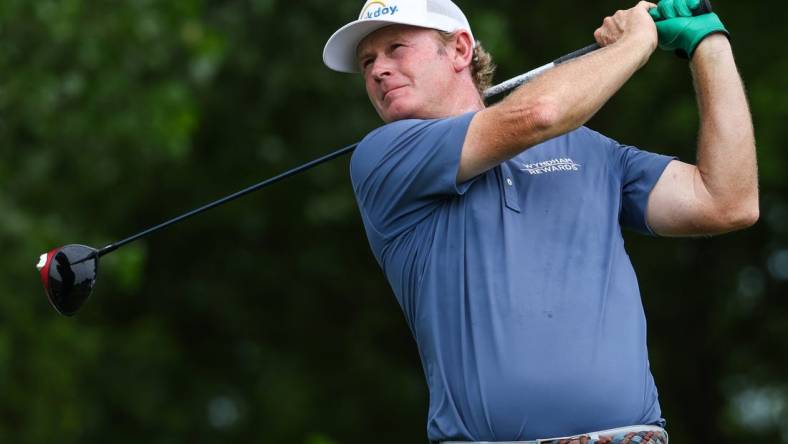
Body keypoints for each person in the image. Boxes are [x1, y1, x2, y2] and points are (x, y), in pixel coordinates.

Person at [322, 0, 758, 442]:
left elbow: (728, 201)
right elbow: (538, 115)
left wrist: (709, 43)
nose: (378, 70)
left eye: (396, 48)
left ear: (459, 50)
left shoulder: (592, 149)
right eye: (367, 62)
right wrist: (636, 43)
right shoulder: (384, 157)